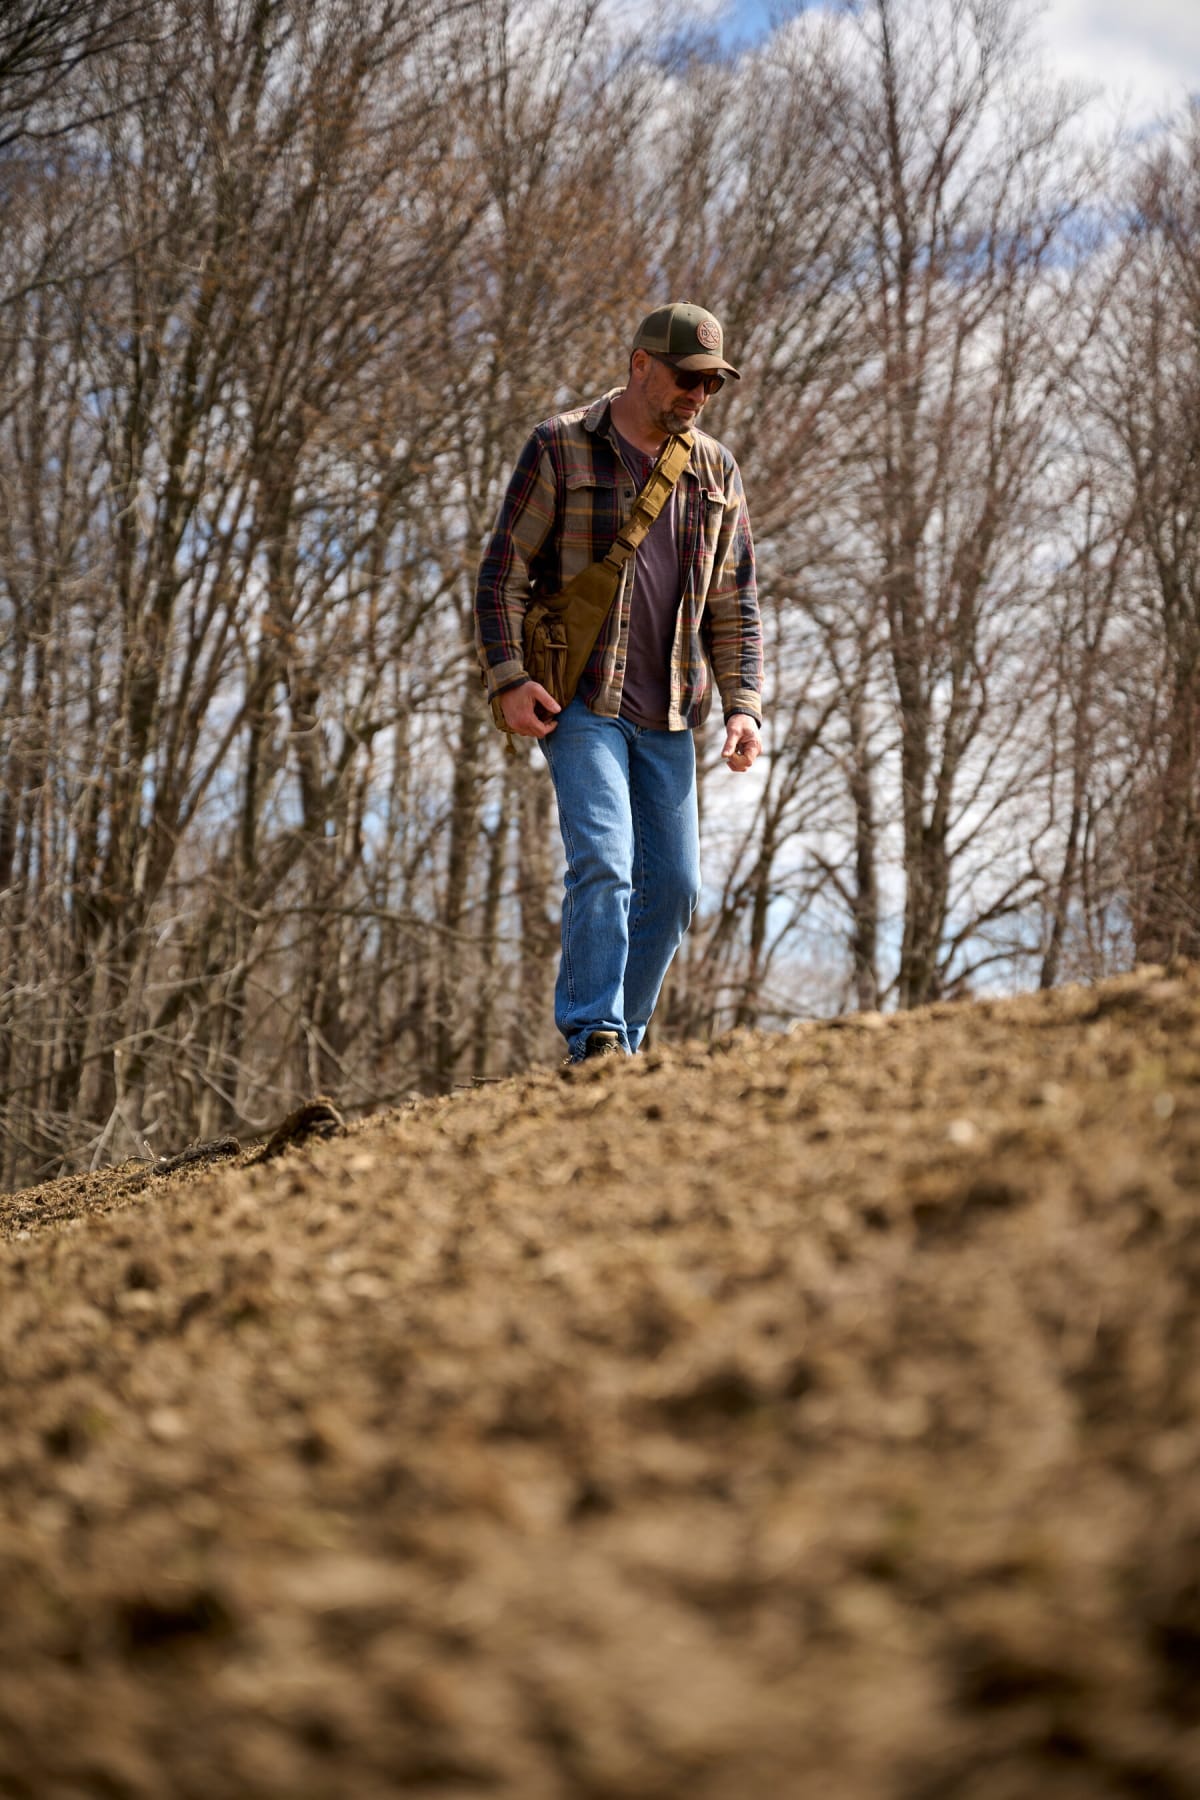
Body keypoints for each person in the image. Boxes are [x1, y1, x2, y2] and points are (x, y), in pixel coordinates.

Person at [474, 302, 763, 1064]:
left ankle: (622, 1049)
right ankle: (593, 1034)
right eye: (686, 380)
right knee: (604, 859)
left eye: (711, 387)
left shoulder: (715, 472)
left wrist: (744, 708)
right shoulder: (561, 448)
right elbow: (501, 574)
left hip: (671, 713)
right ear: (640, 367)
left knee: (673, 892)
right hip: (580, 701)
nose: (697, 398)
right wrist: (508, 676)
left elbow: (734, 604)